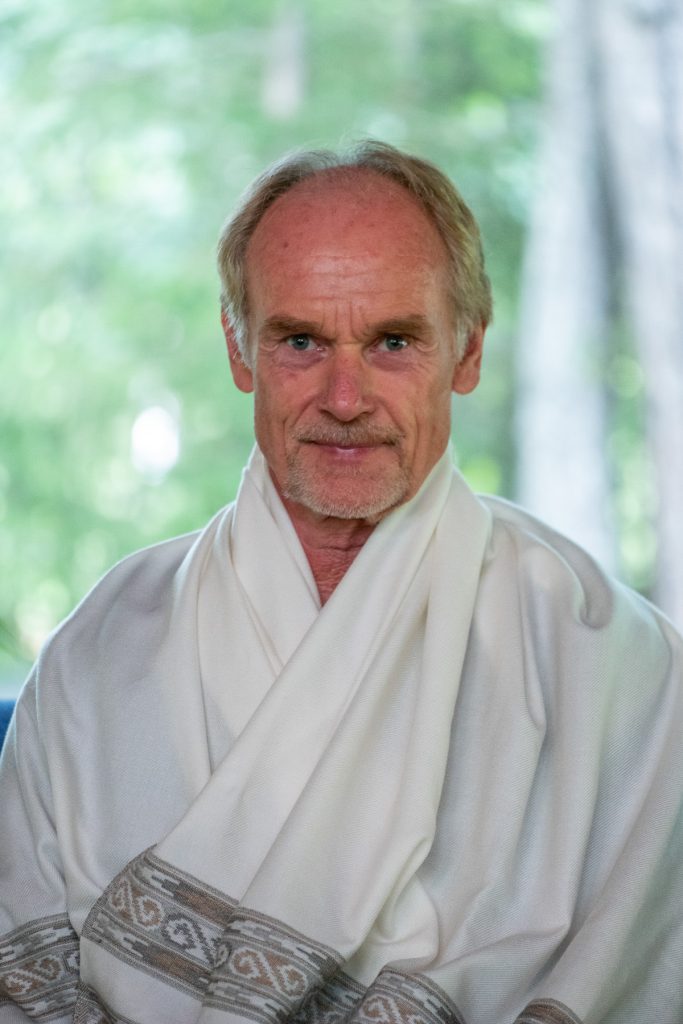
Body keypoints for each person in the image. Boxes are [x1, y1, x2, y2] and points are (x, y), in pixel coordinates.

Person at [1, 141, 681, 1024]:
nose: (346, 397)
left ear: (468, 350)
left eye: (393, 341)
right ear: (239, 349)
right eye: (300, 342)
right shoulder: (98, 650)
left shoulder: (620, 670)